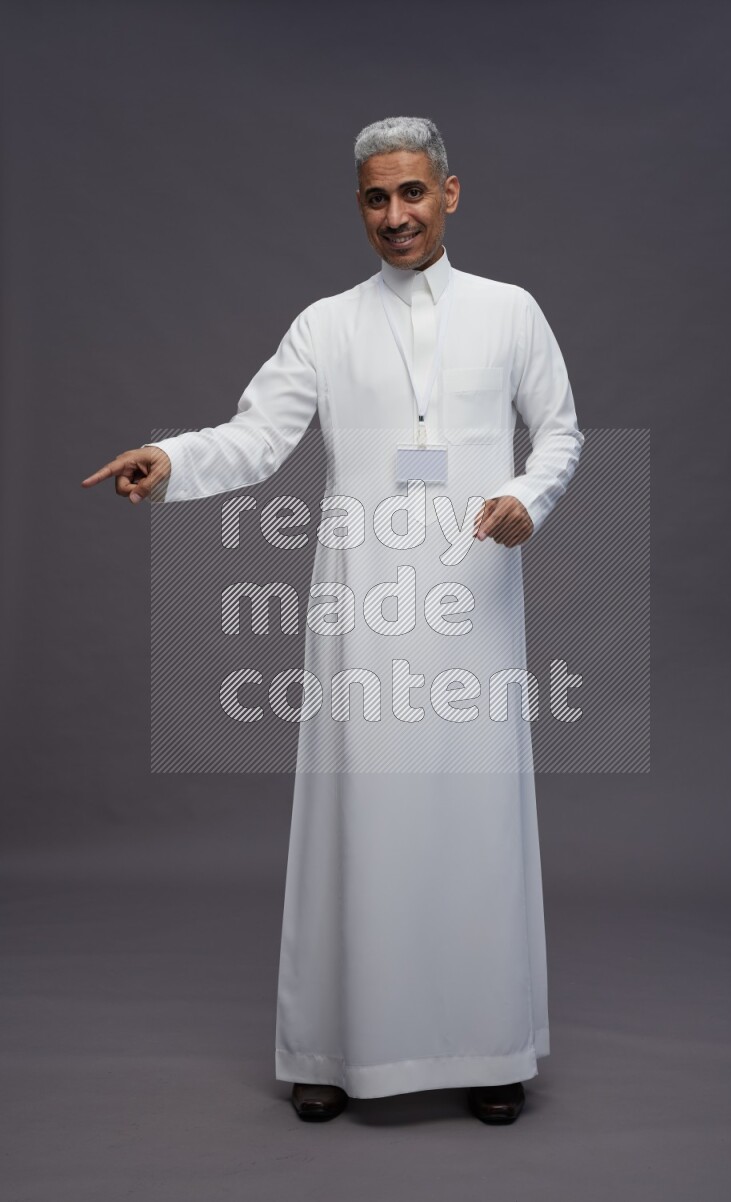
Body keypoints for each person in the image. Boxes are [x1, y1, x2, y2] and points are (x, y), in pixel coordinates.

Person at [82, 116, 584, 1125]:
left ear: (449, 192)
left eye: (410, 193)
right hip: (359, 605)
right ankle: (332, 1046)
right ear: (358, 206)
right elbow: (257, 437)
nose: (393, 216)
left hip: (470, 598)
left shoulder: (510, 312)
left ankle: (487, 1048)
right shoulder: (325, 324)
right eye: (373, 198)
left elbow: (559, 432)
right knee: (357, 818)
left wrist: (529, 496)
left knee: (474, 819)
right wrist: (173, 460)